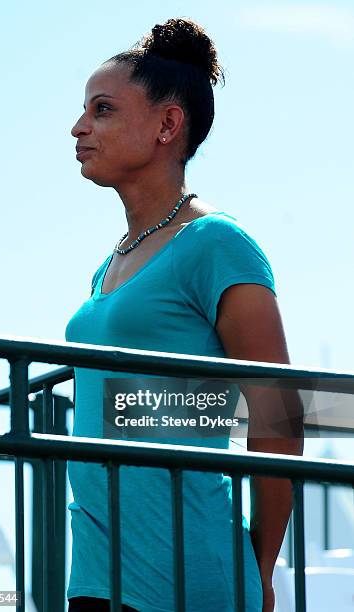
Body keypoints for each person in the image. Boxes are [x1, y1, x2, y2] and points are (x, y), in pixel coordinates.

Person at [65, 17, 303, 612]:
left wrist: (262, 565)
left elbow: (279, 416)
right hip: (94, 577)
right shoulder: (110, 265)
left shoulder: (217, 244)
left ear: (168, 124)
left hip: (187, 577)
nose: (79, 127)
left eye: (102, 110)